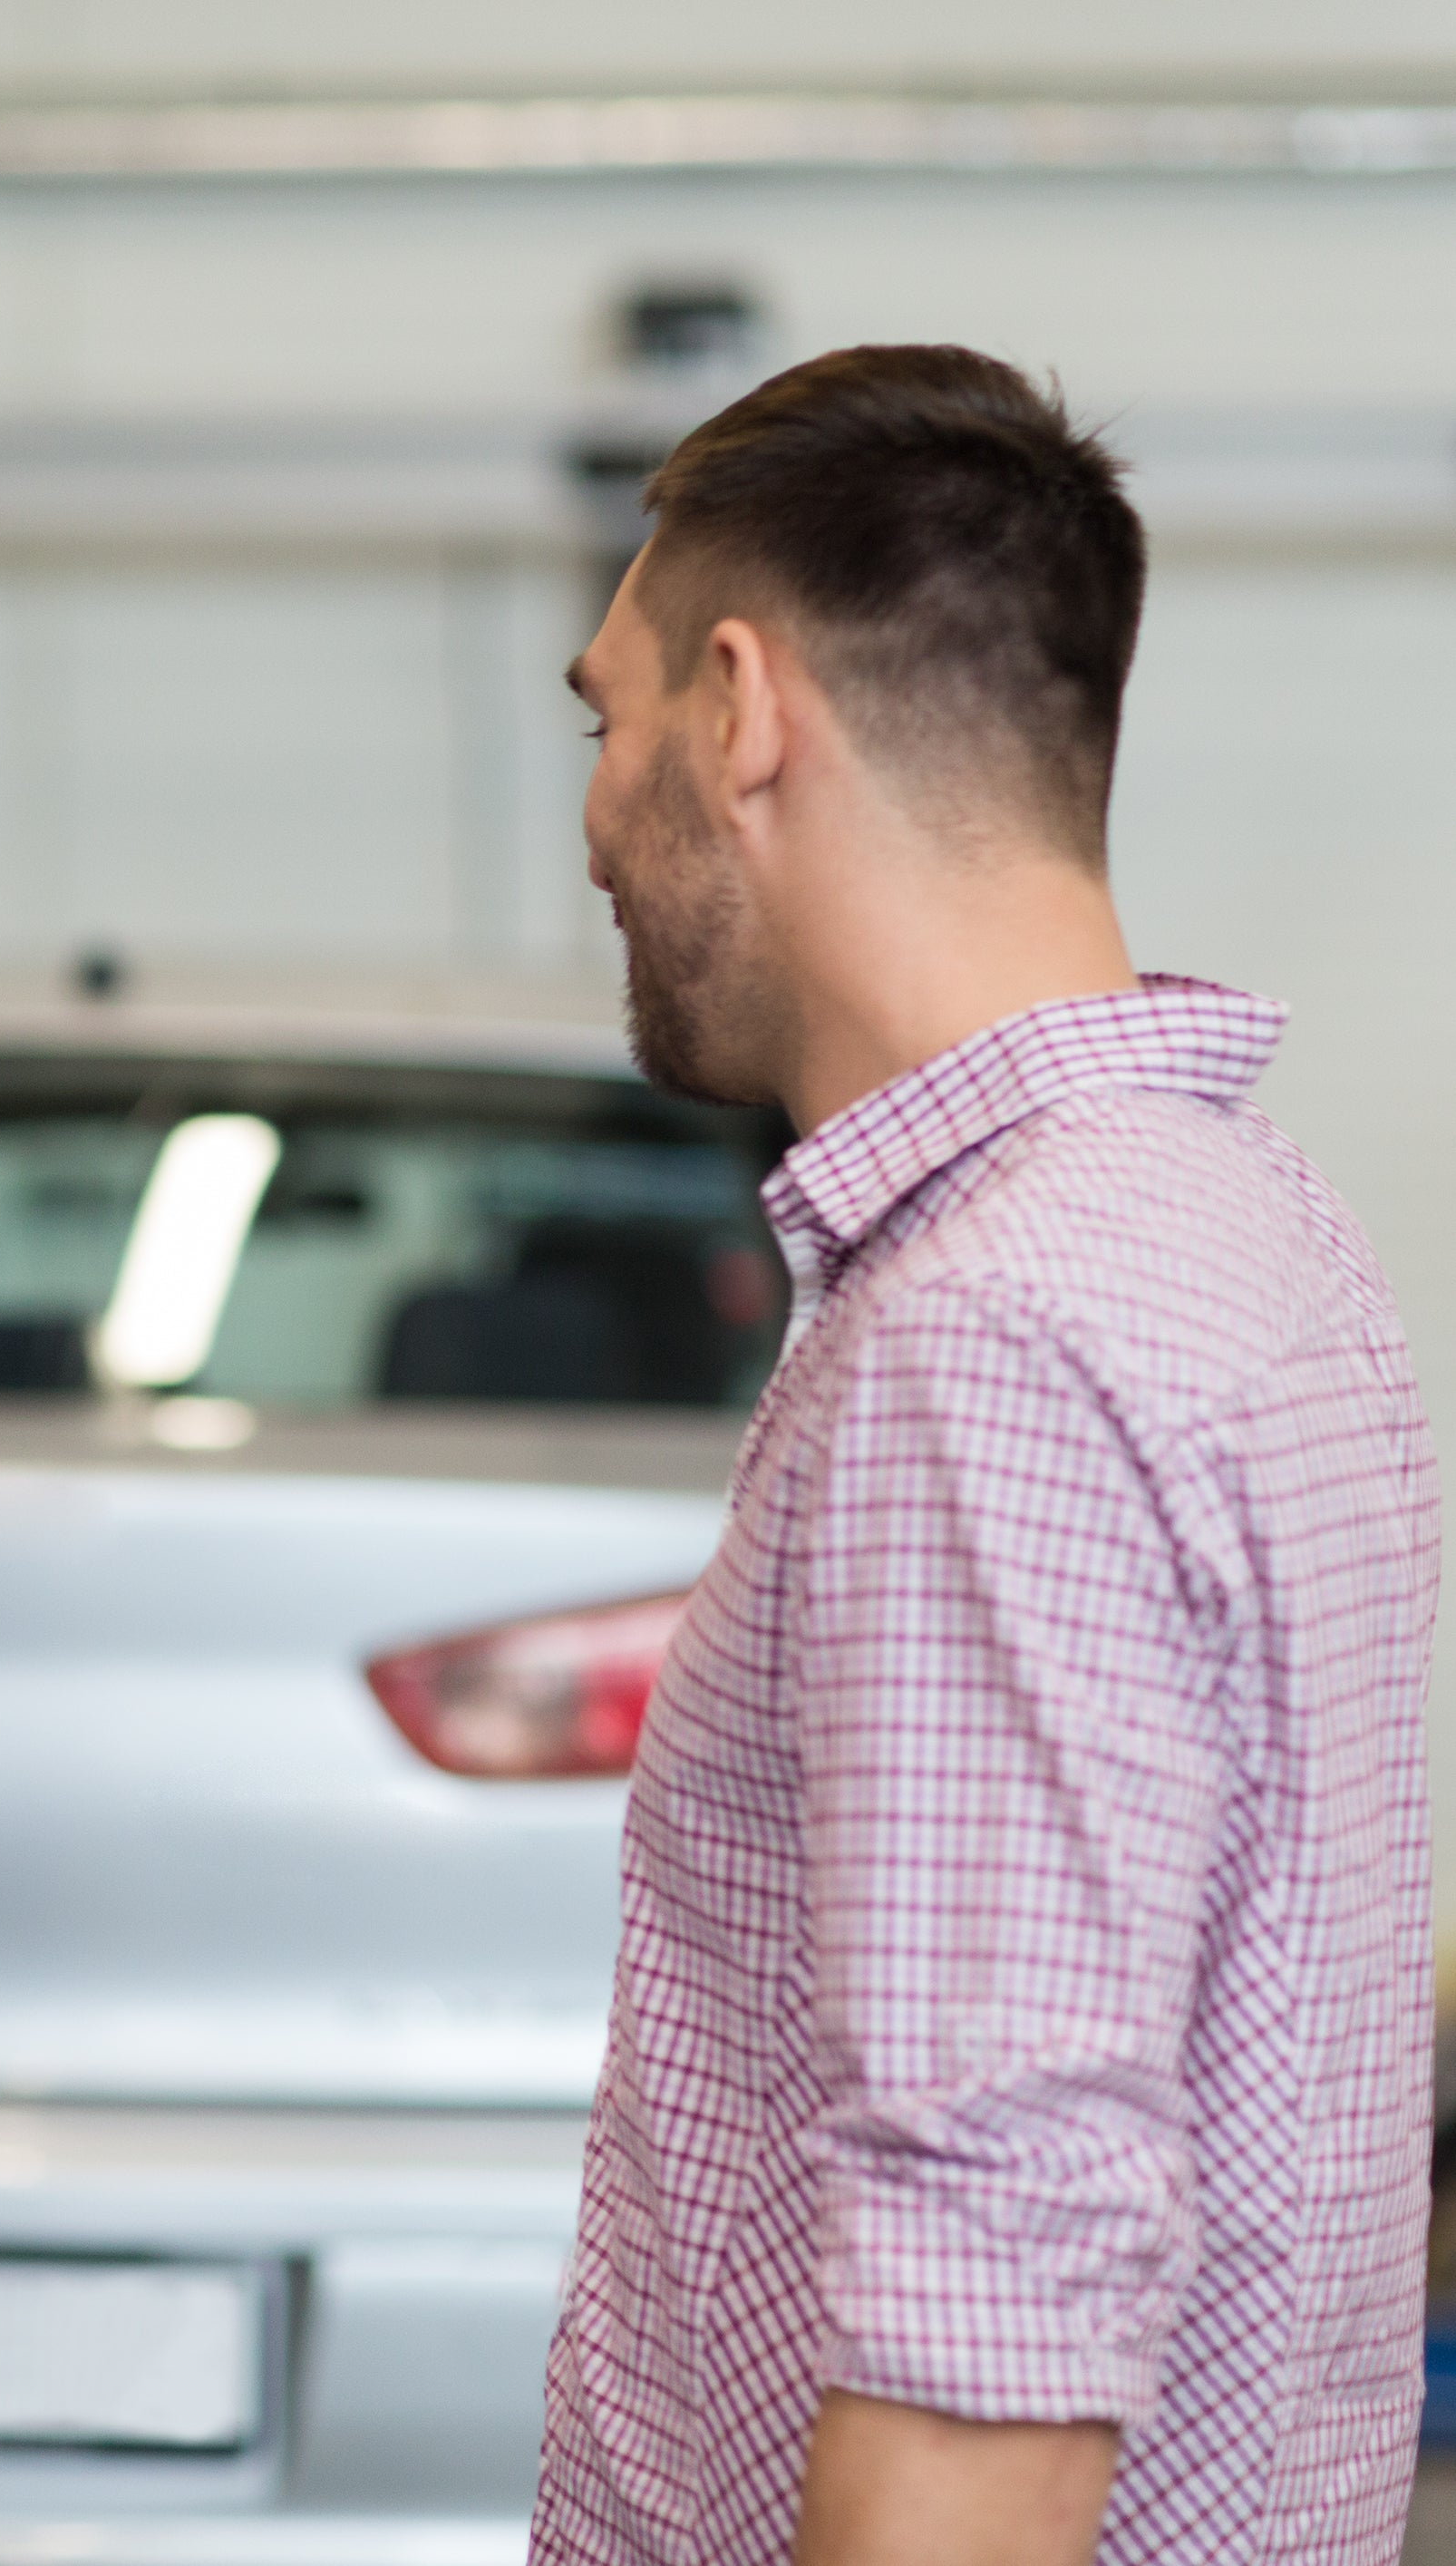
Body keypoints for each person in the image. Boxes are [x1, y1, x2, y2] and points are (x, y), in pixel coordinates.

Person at [541, 345, 1436, 2565]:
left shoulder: (995, 1335)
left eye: (605, 715)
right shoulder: (1247, 1225)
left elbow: (991, 2324)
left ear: (740, 711)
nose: (591, 807)